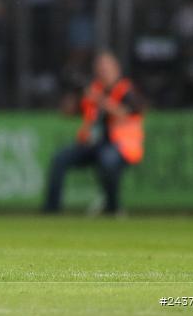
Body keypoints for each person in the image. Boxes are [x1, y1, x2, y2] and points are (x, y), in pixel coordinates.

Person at [44, 51, 144, 215]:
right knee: (59, 159)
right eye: (99, 69)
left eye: (106, 68)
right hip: (93, 144)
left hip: (122, 147)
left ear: (116, 69)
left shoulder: (126, 90)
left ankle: (112, 208)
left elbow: (127, 113)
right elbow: (67, 112)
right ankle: (51, 210)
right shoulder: (93, 89)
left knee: (108, 161)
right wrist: (73, 91)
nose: (102, 72)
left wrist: (100, 100)